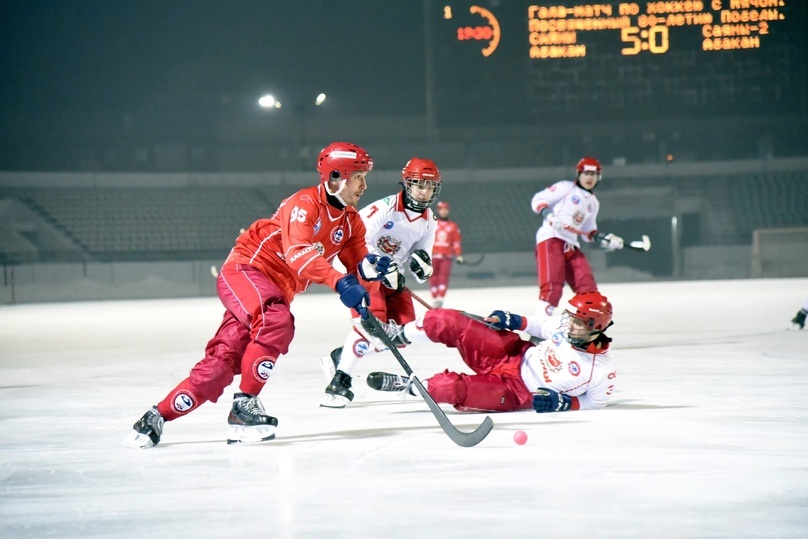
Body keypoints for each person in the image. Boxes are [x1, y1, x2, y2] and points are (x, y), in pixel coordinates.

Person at [123, 141, 395, 448]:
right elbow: (300, 255)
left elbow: (359, 268)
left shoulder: (351, 222)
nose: (364, 185)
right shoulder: (304, 203)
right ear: (336, 176)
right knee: (276, 321)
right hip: (247, 271)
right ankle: (244, 406)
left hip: (272, 291)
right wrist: (339, 282)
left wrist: (371, 277)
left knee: (221, 364)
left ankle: (154, 417)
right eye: (358, 177)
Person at [364, 291, 617, 413]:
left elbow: (595, 402)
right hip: (511, 353)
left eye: (578, 322)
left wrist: (564, 403)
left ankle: (409, 386)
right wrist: (512, 319)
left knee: (451, 388)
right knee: (447, 319)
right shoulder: (564, 326)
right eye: (570, 317)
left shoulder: (600, 370)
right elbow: (539, 324)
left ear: (595, 328)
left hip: (516, 392)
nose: (570, 324)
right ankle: (398, 335)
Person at [319, 157, 442, 408]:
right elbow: (355, 240)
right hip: (364, 271)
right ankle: (341, 380)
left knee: (402, 335)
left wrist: (424, 267)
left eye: (429, 186)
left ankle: (342, 356)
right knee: (373, 326)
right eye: (419, 185)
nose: (424, 191)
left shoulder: (430, 221)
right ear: (407, 184)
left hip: (392, 279)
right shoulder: (383, 209)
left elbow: (422, 260)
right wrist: (378, 265)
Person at [530, 157, 624, 318]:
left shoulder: (593, 203)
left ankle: (585, 332)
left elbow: (589, 232)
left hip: (571, 245)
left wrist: (606, 239)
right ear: (578, 174)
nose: (589, 178)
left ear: (598, 177)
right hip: (551, 238)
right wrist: (551, 217)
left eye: (593, 174)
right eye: (586, 173)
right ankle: (540, 330)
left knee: (588, 289)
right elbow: (538, 200)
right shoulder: (565, 187)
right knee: (552, 288)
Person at [429, 201, 464, 308]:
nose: (443, 211)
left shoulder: (453, 226)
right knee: (432, 277)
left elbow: (456, 242)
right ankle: (434, 298)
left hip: (446, 256)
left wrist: (458, 255)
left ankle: (441, 299)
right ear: (438, 210)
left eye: (445, 209)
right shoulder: (433, 224)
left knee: (443, 277)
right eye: (441, 209)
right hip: (434, 255)